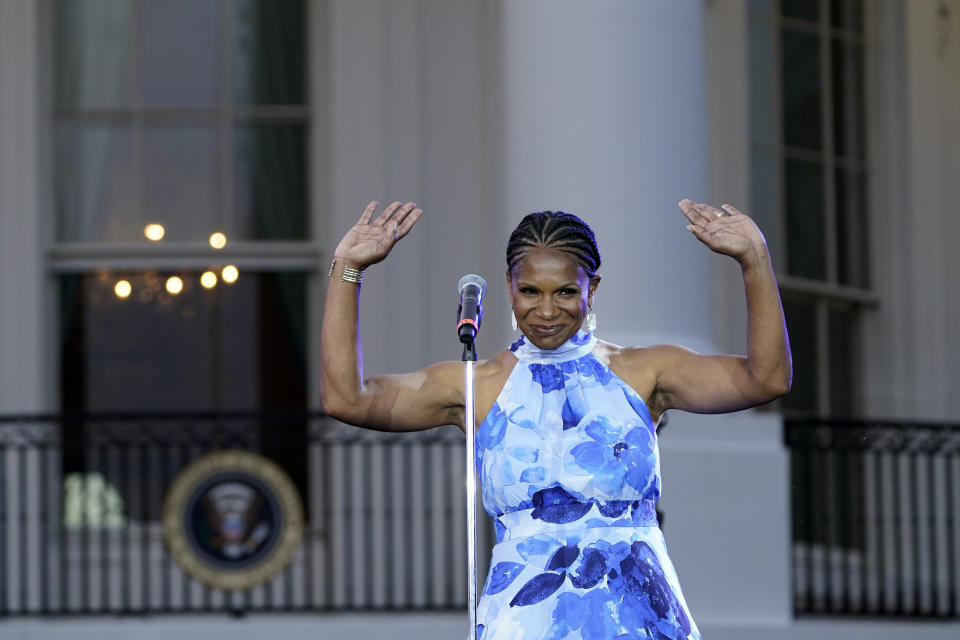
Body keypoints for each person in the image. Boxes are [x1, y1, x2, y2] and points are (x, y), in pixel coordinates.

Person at [320, 199, 792, 640]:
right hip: (525, 618)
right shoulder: (474, 384)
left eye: (566, 291)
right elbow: (347, 399)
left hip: (635, 618)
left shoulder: (645, 371)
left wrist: (754, 259)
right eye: (530, 291)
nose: (546, 311)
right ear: (509, 287)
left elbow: (765, 379)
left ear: (594, 288)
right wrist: (348, 271)